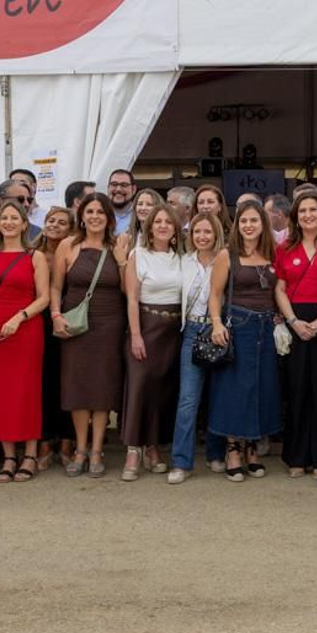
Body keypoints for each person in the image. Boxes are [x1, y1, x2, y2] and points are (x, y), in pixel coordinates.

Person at [52, 193, 128, 478]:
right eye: (90, 211)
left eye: (101, 212)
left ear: (109, 218)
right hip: (75, 325)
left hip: (109, 325)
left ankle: (97, 449)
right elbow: (56, 287)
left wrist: (121, 260)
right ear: (81, 215)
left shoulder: (118, 246)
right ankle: (80, 448)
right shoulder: (68, 246)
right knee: (78, 387)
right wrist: (56, 315)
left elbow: (128, 290)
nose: (95, 216)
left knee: (102, 387)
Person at [208, 200, 281, 480]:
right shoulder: (228, 255)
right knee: (233, 389)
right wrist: (216, 323)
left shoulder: (271, 254)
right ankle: (232, 448)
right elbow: (215, 294)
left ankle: (252, 446)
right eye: (244, 221)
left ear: (263, 224)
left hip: (266, 328)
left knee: (261, 388)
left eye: (254, 220)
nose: (249, 225)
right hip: (237, 325)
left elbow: (278, 291)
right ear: (237, 225)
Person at [0, 199, 49, 483]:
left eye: (13, 218)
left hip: (26, 330)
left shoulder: (36, 256)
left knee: (26, 390)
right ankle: (9, 456)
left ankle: (30, 454)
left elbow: (43, 297)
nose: (8, 222)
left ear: (24, 224)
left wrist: (19, 317)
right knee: (0, 393)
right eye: (3, 218)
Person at [274, 192, 317, 478]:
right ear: (295, 217)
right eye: (302, 211)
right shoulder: (285, 247)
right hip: (295, 321)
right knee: (296, 389)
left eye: (313, 210)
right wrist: (293, 321)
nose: (308, 215)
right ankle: (296, 456)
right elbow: (279, 288)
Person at [121, 202, 185, 481]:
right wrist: (135, 335)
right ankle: (133, 449)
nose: (161, 225)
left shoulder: (183, 258)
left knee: (162, 391)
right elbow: (132, 298)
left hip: (173, 331)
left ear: (175, 229)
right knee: (139, 387)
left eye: (167, 222)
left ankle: (154, 447)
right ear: (149, 226)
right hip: (145, 326)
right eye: (157, 221)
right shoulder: (139, 254)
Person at [168, 212, 228, 483]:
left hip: (218, 331)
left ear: (216, 233)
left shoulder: (226, 260)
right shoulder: (183, 262)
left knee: (217, 397)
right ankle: (181, 462)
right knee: (188, 399)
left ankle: (216, 454)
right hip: (192, 330)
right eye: (197, 232)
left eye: (207, 231)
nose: (202, 236)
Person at [34, 206, 74, 469]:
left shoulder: (76, 254)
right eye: (51, 220)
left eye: (62, 222)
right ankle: (46, 441)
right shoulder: (32, 253)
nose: (55, 225)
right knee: (44, 383)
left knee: (69, 383)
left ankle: (68, 441)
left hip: (69, 322)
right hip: (38, 323)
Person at [107, 169, 138, 235]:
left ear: (134, 189)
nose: (118, 189)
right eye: (114, 184)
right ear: (108, 187)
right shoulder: (99, 213)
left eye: (124, 185)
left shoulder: (140, 215)